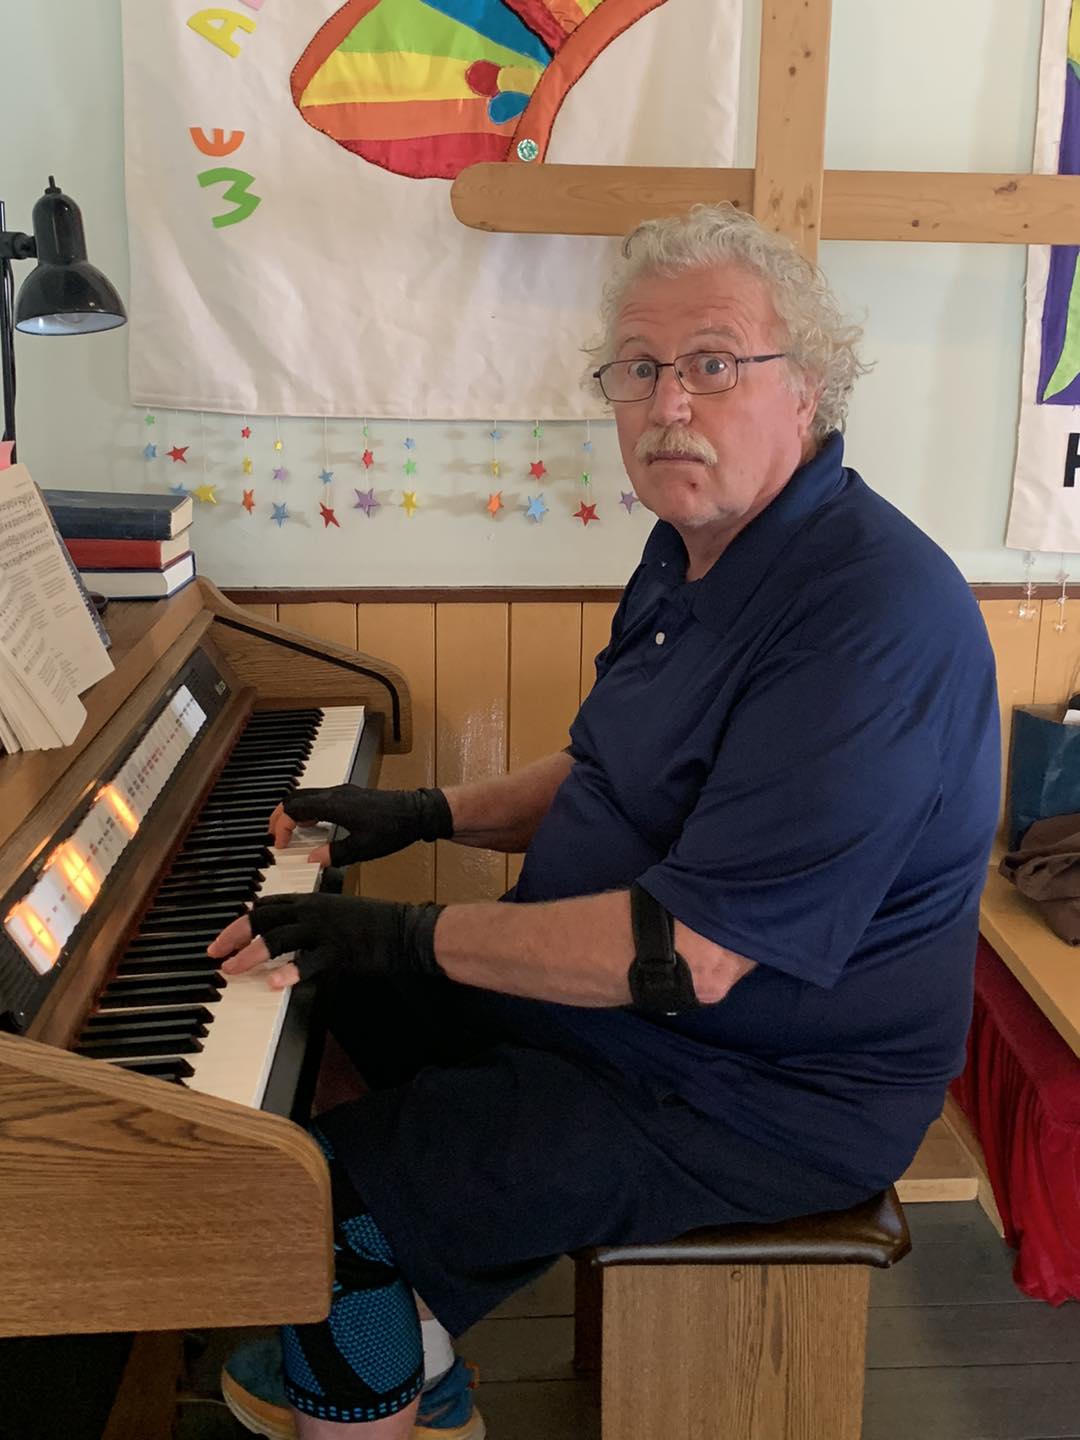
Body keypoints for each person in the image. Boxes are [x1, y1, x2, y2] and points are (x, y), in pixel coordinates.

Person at [214, 203, 1001, 1440]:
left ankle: (380, 1341)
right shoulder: (691, 545)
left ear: (809, 390)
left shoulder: (870, 616)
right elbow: (603, 771)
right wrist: (421, 813)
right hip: (630, 1022)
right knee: (318, 1001)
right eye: (638, 368)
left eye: (713, 362)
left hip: (757, 1093)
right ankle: (411, 1348)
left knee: (323, 1199)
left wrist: (407, 934)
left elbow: (690, 956)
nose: (668, 401)